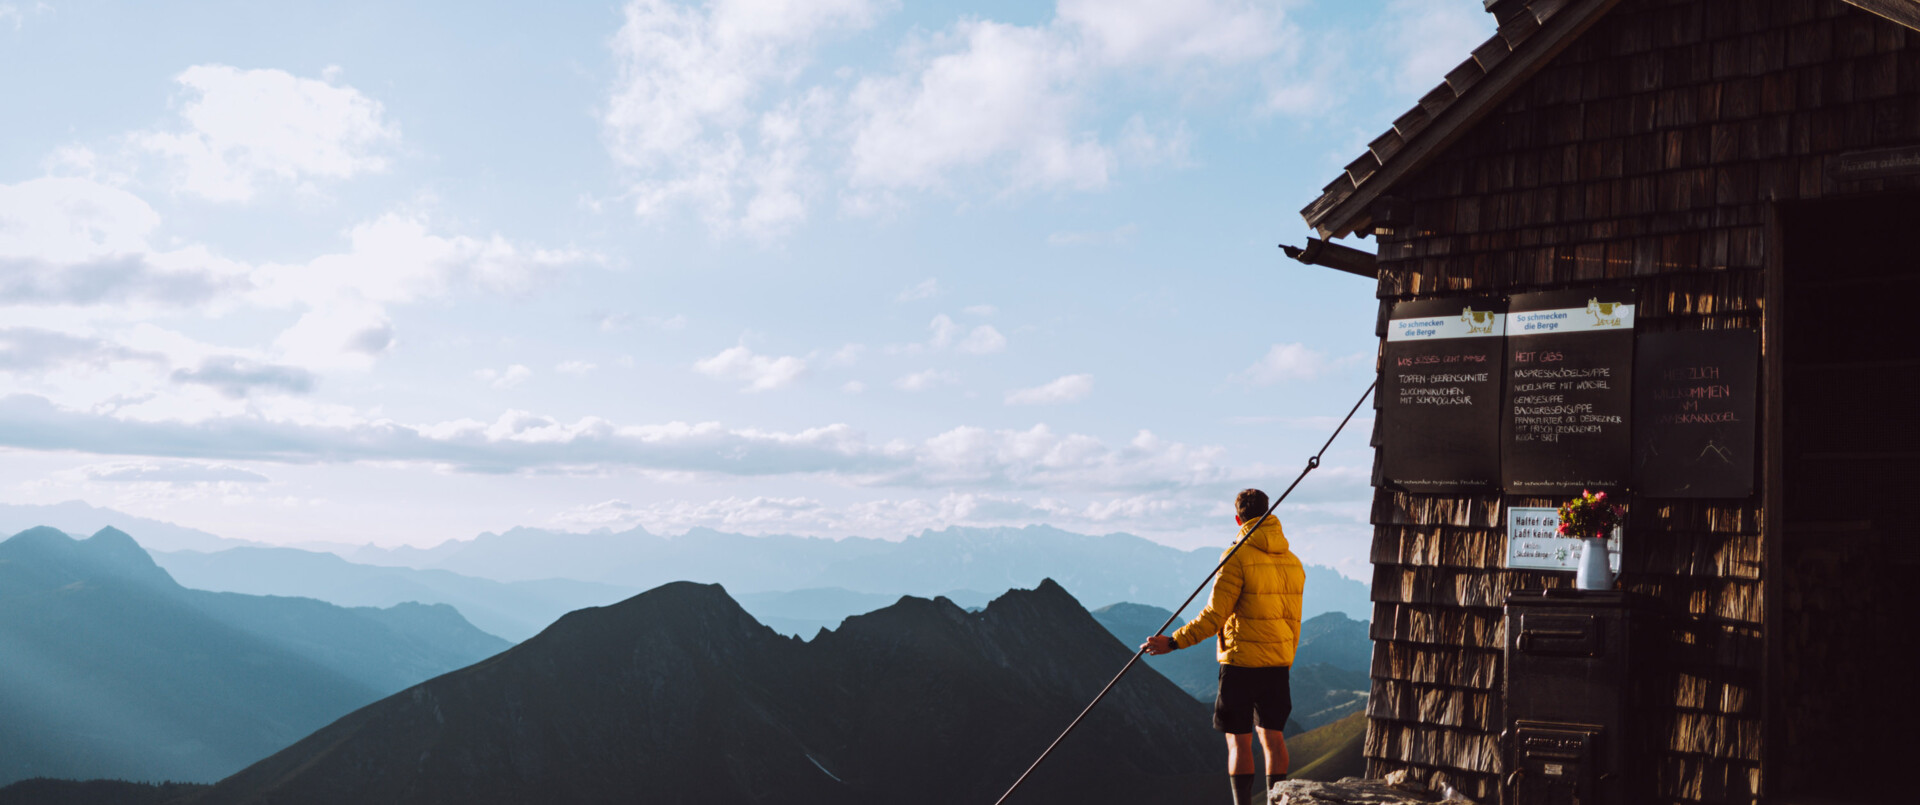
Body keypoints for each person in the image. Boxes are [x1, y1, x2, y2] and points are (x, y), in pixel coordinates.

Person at [1142, 488, 1304, 805]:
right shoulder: (1292, 561)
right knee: (1273, 737)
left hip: (1241, 663)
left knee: (1239, 742)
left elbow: (1214, 615)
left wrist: (1173, 642)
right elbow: (1292, 618)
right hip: (1279, 662)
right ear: (1268, 514)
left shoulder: (1236, 556)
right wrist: (1286, 656)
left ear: (1237, 518)